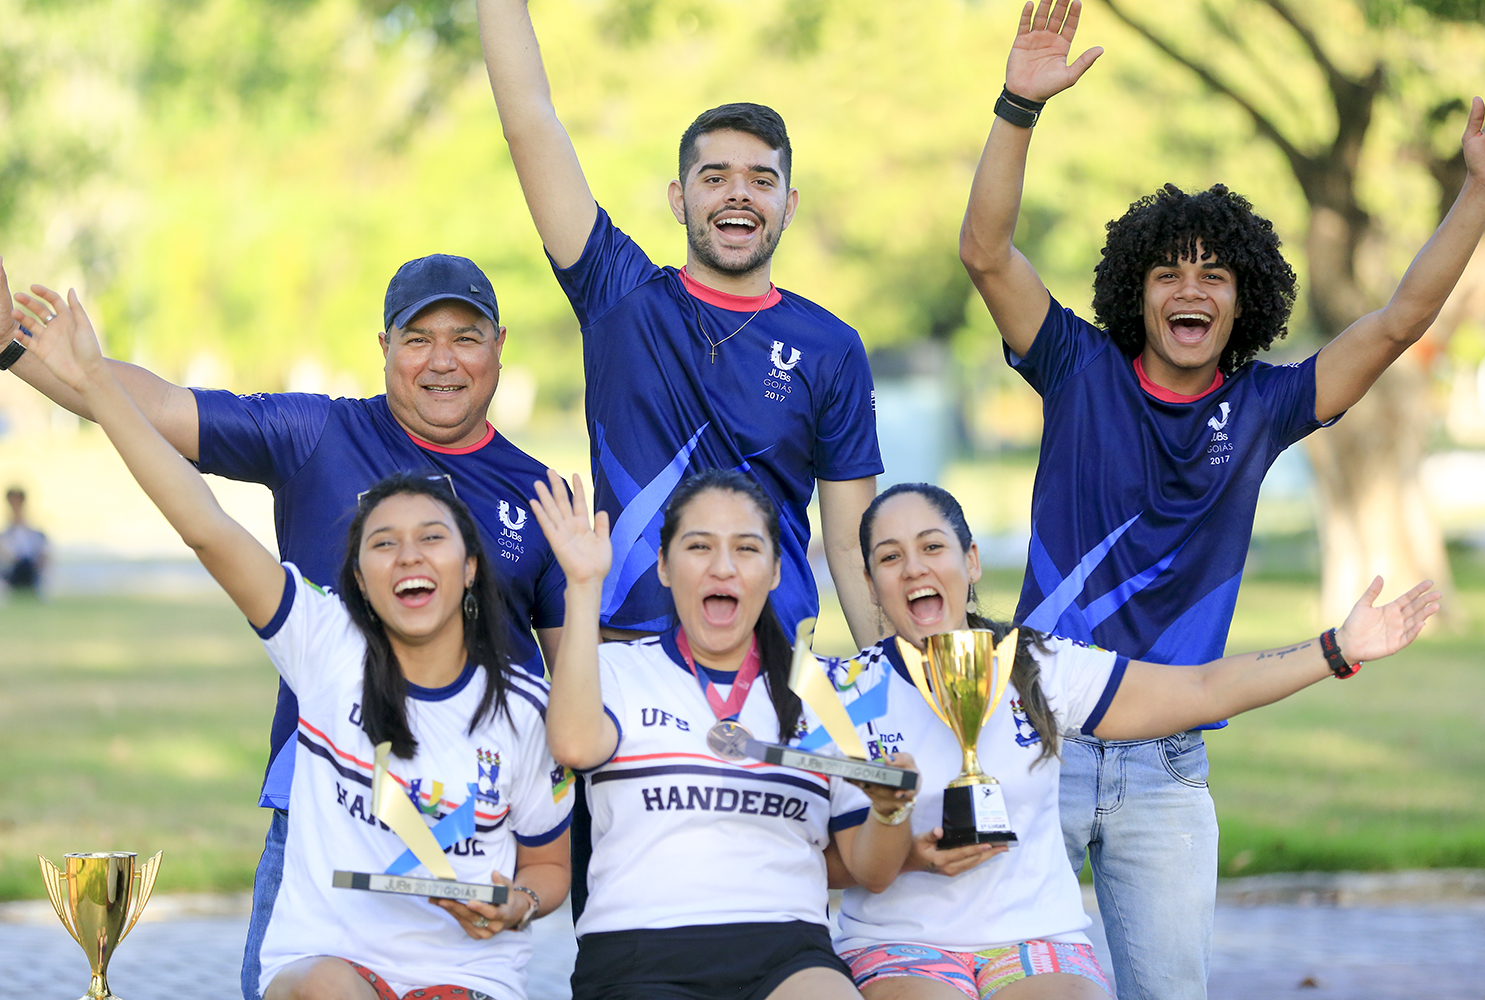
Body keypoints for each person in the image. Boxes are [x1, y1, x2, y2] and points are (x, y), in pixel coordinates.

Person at [957, 3, 1485, 995]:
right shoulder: (1077, 367)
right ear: (1139, 292)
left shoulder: (1264, 406)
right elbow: (987, 254)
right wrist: (1017, 107)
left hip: (1169, 771)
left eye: (1213, 273)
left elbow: (1397, 323)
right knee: (1002, 984)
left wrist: (1480, 193)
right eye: (1168, 271)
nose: (1189, 288)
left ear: (1244, 299)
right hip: (1040, 747)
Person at [0, 253, 567, 1000]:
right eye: (416, 337)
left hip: (467, 832)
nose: (441, 360)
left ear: (500, 343)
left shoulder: (541, 497)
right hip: (320, 811)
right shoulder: (319, 435)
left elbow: (574, 702)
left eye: (465, 337)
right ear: (384, 347)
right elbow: (166, 421)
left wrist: (522, 895)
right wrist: (16, 348)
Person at [827, 482, 1437, 999]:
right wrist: (900, 835)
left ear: (972, 560)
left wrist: (1336, 649)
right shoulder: (846, 691)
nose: (914, 569)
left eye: (933, 547)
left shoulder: (1037, 663)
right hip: (899, 942)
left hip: (1036, 940)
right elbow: (844, 868)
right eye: (889, 557)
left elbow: (1200, 688)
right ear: (870, 580)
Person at [475, 0, 884, 650]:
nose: (738, 194)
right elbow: (530, 123)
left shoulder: (831, 347)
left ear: (789, 204)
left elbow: (852, 545)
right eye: (714, 177)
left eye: (761, 179)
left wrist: (894, 697)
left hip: (773, 666)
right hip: (629, 655)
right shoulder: (621, 297)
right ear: (679, 197)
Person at [530, 467, 919, 1000]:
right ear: (664, 567)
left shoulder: (829, 691)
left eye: (746, 548)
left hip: (788, 951)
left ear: (777, 570)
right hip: (637, 952)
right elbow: (573, 745)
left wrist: (890, 809)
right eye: (698, 547)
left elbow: (870, 870)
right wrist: (581, 586)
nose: (722, 567)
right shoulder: (617, 670)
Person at [1, 486, 48, 595]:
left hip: (31, 573)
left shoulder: (36, 534)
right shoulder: (4, 535)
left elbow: (43, 556)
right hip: (11, 574)